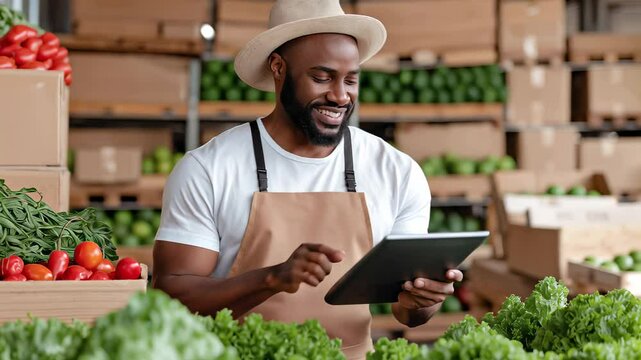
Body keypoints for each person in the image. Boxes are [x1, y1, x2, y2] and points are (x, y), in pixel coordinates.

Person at [152, 0, 463, 358]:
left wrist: (424, 299)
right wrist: (271, 279)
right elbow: (170, 297)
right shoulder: (208, 169)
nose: (340, 96)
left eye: (351, 80)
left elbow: (408, 312)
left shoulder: (396, 172)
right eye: (322, 77)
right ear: (278, 67)